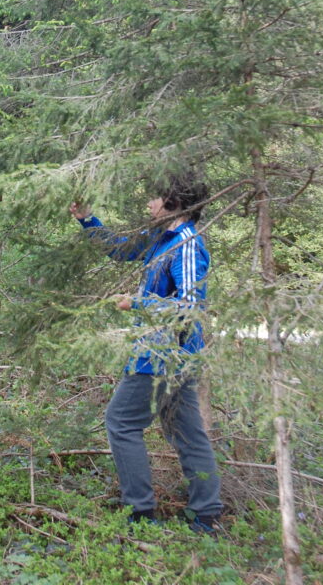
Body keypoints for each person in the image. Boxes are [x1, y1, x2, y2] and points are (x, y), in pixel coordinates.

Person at [70, 175, 222, 532]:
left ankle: (140, 513)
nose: (148, 205)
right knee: (188, 433)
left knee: (121, 422)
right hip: (171, 353)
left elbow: (189, 305)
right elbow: (120, 248)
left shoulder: (186, 244)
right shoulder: (161, 237)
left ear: (173, 201)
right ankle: (208, 513)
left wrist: (136, 302)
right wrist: (87, 219)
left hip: (165, 354)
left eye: (154, 198)